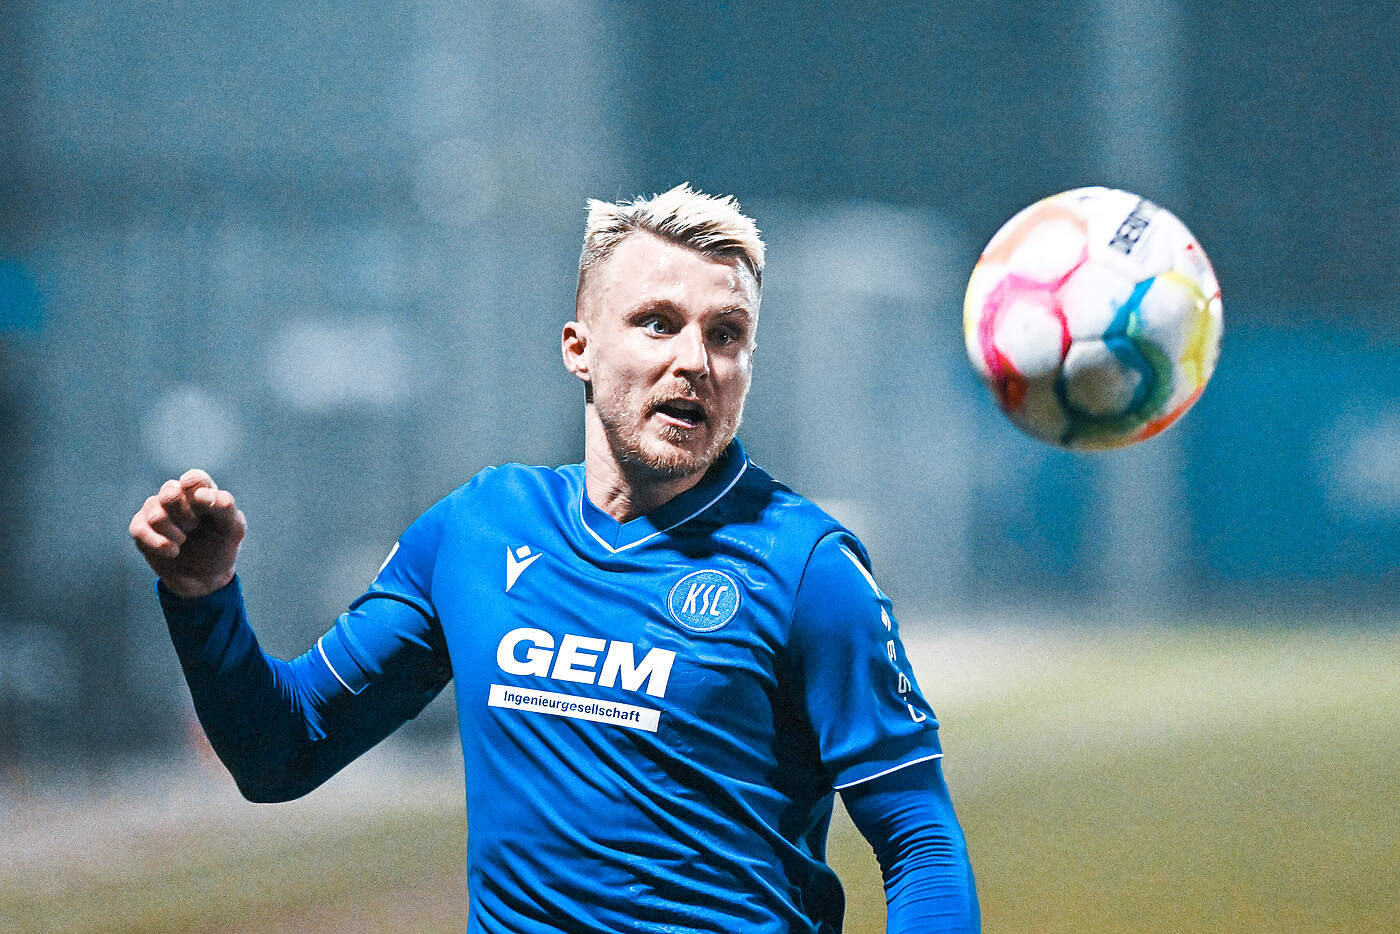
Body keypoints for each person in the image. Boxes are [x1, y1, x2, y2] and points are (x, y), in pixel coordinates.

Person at [129, 184, 980, 933]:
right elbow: (281, 753)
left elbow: (920, 841)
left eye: (726, 335)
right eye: (657, 323)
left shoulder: (806, 568)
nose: (694, 360)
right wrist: (204, 599)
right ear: (578, 348)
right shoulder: (478, 531)